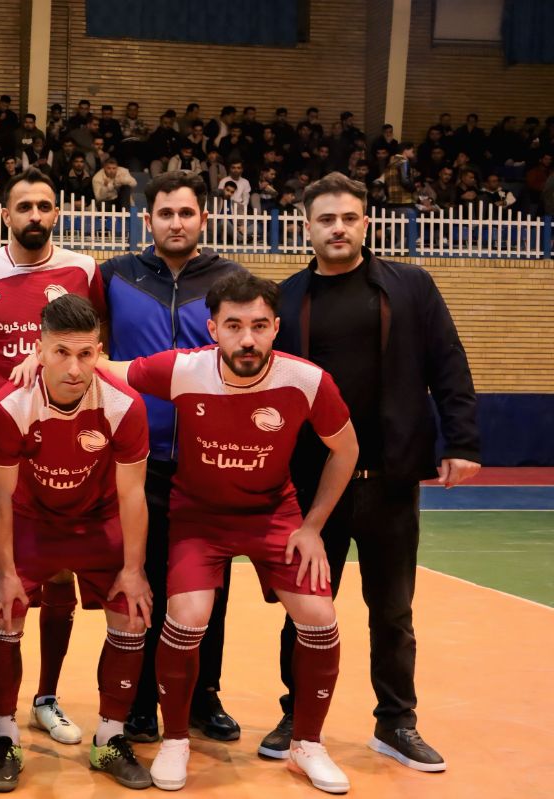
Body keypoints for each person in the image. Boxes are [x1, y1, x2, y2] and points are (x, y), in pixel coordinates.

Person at [263, 171, 480, 774]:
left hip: (390, 480)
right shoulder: (286, 299)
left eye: (348, 218)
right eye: (326, 219)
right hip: (314, 486)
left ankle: (396, 722)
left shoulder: (410, 287)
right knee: (306, 609)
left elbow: (448, 362)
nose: (338, 228)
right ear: (307, 227)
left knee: (392, 612)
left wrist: (462, 440)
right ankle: (297, 715)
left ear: (366, 222)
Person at [109, 271, 359, 794]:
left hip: (273, 514)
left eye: (259, 326)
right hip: (199, 518)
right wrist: (42, 357)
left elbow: (346, 450)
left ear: (276, 328)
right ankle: (176, 738)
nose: (248, 339)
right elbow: (106, 367)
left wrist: (313, 526)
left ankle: (307, 745)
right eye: (234, 326)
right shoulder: (185, 369)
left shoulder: (307, 380)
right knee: (187, 616)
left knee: (320, 617)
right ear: (213, 329)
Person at [0, 294, 155, 791]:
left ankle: (110, 738)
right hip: (33, 521)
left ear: (99, 352)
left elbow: (133, 494)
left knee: (132, 611)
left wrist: (134, 569)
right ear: (39, 350)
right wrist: (5, 573)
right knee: (2, 611)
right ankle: (5, 735)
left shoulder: (124, 404)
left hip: (97, 522)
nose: (74, 368)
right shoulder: (10, 406)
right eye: (61, 353)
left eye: (85, 354)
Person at [0, 168, 109, 747]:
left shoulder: (82, 269)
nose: (35, 216)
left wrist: (47, 361)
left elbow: (96, 345)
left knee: (59, 568)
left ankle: (46, 696)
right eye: (24, 207)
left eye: (45, 206)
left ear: (57, 213)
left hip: (63, 440)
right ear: (5, 214)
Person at [97, 171, 246, 743]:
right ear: (148, 219)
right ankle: (138, 702)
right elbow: (60, 307)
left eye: (186, 213)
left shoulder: (231, 279)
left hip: (210, 463)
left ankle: (204, 697)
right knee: (139, 581)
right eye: (165, 213)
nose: (176, 223)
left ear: (203, 218)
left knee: (210, 589)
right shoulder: (115, 276)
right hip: (137, 463)